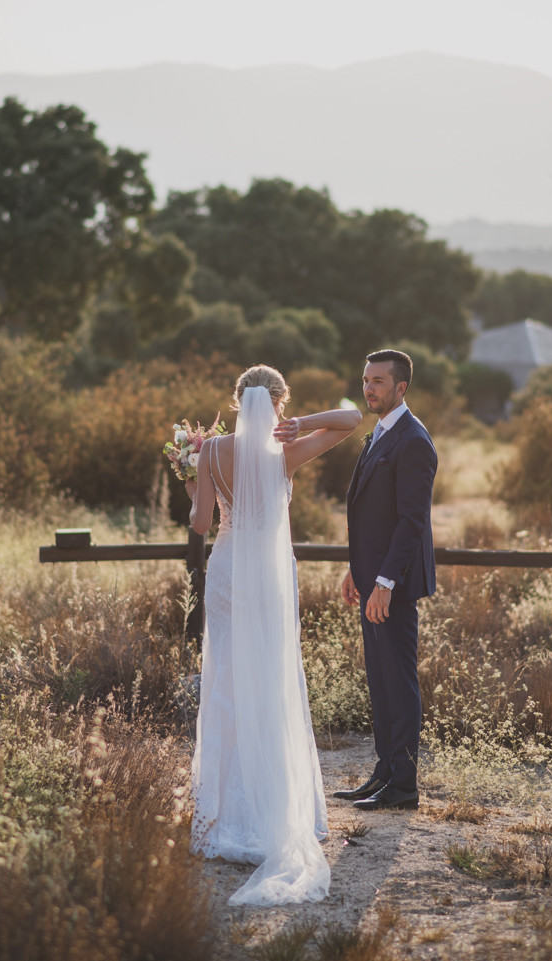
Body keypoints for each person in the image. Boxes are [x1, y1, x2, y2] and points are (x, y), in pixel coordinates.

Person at [185, 364, 361, 906]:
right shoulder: (287, 452)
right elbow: (352, 419)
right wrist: (302, 422)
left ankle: (223, 812)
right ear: (279, 403)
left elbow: (199, 523)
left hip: (227, 572)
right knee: (269, 678)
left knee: (226, 677)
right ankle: (272, 807)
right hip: (267, 576)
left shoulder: (212, 452)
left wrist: (191, 481)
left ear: (237, 402)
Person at [333, 349, 437, 812]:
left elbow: (411, 522)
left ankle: (404, 786)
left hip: (393, 586)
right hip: (372, 579)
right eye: (365, 380)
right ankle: (384, 773)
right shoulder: (379, 432)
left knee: (399, 681)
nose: (368, 388)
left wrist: (385, 583)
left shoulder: (413, 441)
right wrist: (356, 569)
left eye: (378, 381)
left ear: (401, 387)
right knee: (380, 680)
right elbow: (372, 515)